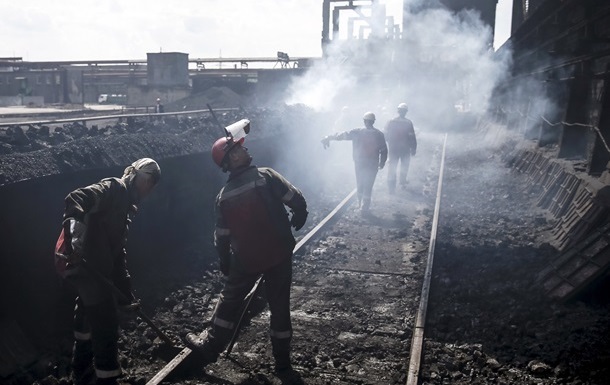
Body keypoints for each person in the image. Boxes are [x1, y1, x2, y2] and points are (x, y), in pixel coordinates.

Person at [184, 120, 308, 375]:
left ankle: (210, 345)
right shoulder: (266, 176)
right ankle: (283, 363)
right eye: (238, 149)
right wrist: (301, 212)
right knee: (279, 306)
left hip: (247, 258)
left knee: (229, 299)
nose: (245, 149)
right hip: (279, 253)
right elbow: (295, 198)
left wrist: (225, 261)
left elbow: (222, 237)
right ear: (229, 161)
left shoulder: (223, 197)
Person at [55, 158, 161, 385]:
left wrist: (126, 297)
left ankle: (81, 369)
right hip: (86, 267)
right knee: (105, 325)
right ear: (134, 173)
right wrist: (75, 242)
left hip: (95, 272)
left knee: (86, 314)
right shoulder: (114, 188)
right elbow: (77, 198)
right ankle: (107, 378)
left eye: (153, 184)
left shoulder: (125, 210)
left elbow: (117, 256)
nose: (149, 187)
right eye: (148, 179)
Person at [321, 111, 388, 215]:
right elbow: (384, 150)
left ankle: (360, 203)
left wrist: (328, 137)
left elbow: (342, 135)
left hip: (360, 163)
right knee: (368, 185)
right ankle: (364, 207)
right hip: (372, 164)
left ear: (364, 121)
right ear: (373, 122)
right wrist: (382, 163)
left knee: (360, 183)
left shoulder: (357, 132)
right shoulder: (379, 134)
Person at [384, 103, 417, 193]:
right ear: (406, 112)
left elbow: (385, 135)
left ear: (398, 110)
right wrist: (413, 148)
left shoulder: (390, 121)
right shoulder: (408, 123)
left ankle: (391, 187)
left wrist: (389, 143)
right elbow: (412, 137)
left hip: (393, 148)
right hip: (405, 149)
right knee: (405, 165)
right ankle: (402, 181)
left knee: (392, 167)